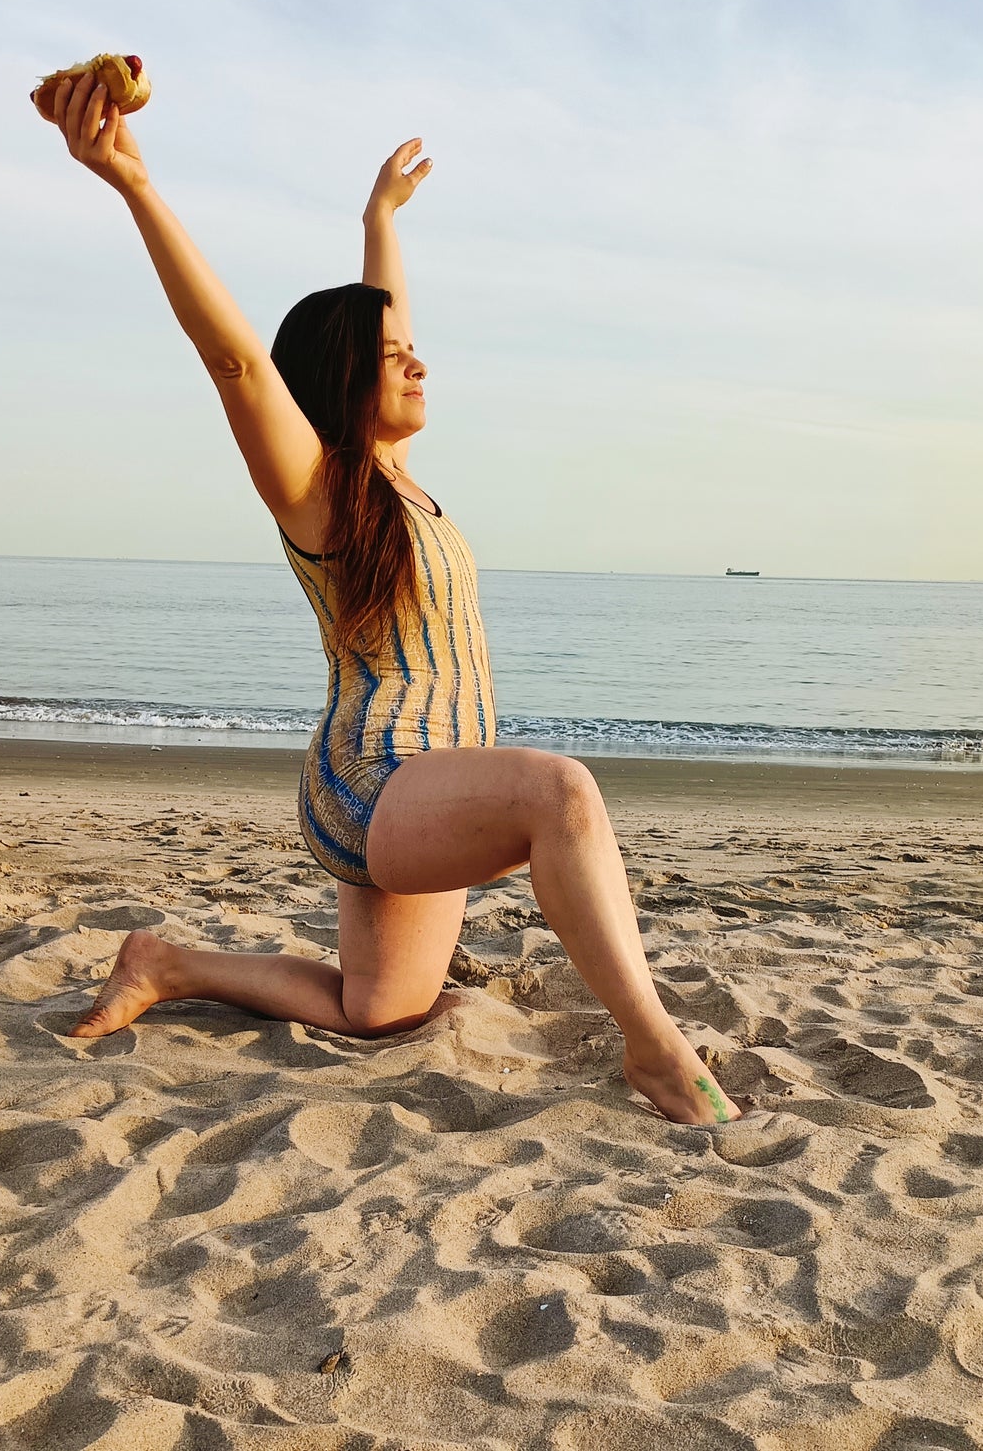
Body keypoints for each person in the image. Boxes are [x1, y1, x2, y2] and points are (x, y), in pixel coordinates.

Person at [46, 71, 739, 1126]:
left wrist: (375, 221)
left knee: (375, 1009)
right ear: (337, 384)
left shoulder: (396, 482)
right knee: (560, 794)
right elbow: (234, 360)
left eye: (411, 348)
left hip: (428, 786)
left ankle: (167, 963)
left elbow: (382, 318)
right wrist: (135, 184)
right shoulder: (318, 492)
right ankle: (651, 1046)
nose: (415, 359)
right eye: (389, 358)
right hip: (376, 782)